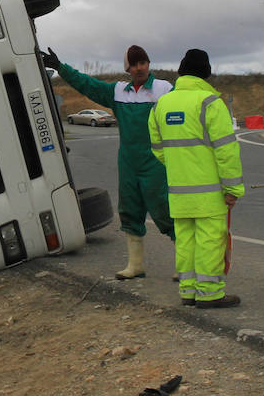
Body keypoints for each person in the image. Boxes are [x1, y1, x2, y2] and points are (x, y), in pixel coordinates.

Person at [42, 44, 173, 279]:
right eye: (134, 64)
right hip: (129, 162)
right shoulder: (118, 92)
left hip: (157, 161)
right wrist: (60, 67)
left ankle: (186, 266)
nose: (139, 67)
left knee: (166, 210)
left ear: (148, 64)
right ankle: (136, 265)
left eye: (143, 62)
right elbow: (88, 84)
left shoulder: (165, 89)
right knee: (130, 210)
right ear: (128, 68)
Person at [148, 49, 243, 307]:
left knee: (186, 241)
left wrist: (182, 167)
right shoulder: (210, 103)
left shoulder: (161, 104)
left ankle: (188, 291)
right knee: (210, 241)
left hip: (179, 191)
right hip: (209, 193)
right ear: (206, 74)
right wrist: (232, 187)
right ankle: (210, 293)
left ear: (181, 72)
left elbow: (158, 149)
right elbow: (226, 151)